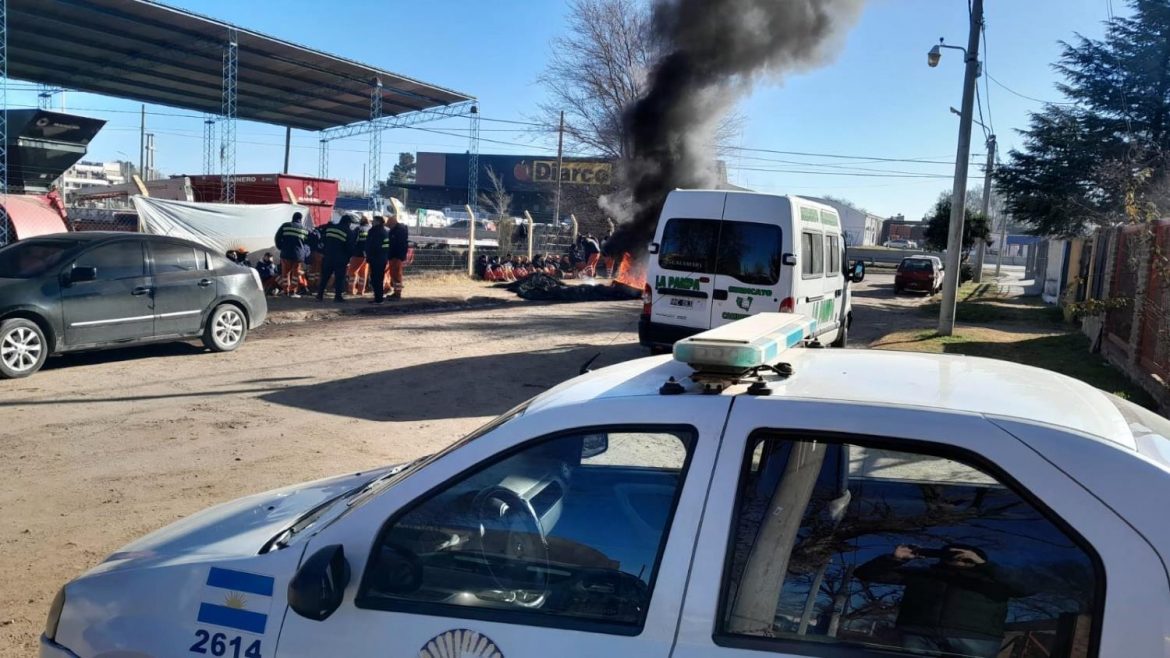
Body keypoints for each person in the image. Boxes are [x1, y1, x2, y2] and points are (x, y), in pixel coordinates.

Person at [855, 544, 1034, 658]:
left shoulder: (994, 579)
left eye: (966, 556)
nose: (959, 558)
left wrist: (984, 566)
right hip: (918, 635)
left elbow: (1025, 588)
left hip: (975, 639)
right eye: (951, 554)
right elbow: (864, 574)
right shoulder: (924, 574)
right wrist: (894, 559)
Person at [317, 215, 354, 302]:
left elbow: (323, 240)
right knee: (339, 278)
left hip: (328, 256)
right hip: (340, 258)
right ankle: (338, 297)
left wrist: (324, 251)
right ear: (348, 223)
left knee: (325, 276)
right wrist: (348, 258)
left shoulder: (331, 228)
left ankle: (320, 294)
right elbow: (350, 247)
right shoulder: (348, 231)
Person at [273, 212, 310, 298]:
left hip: (286, 253)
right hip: (298, 255)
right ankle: (293, 291)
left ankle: (286, 291)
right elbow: (306, 242)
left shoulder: (285, 226)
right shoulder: (304, 229)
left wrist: (280, 247)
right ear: (301, 219)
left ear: (293, 218)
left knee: (285, 273)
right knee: (295, 274)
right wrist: (304, 253)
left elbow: (277, 237)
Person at [365, 215, 390, 304]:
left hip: (377, 259)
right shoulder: (382, 231)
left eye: (374, 221)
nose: (372, 222)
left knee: (377, 279)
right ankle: (378, 298)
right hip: (380, 258)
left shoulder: (377, 232)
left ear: (378, 222)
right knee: (377, 279)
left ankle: (379, 299)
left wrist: (370, 255)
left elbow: (374, 246)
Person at [385, 210, 409, 300]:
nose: (388, 227)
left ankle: (397, 293)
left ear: (392, 223)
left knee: (397, 275)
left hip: (396, 256)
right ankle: (396, 292)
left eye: (389, 225)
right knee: (394, 274)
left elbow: (398, 245)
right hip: (394, 256)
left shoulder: (398, 231)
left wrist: (397, 255)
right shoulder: (396, 230)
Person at [347, 216, 371, 295]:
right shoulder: (370, 229)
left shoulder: (358, 229)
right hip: (367, 255)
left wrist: (351, 252)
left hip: (357, 254)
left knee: (353, 272)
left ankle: (351, 290)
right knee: (363, 273)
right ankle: (361, 291)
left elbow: (352, 241)